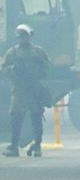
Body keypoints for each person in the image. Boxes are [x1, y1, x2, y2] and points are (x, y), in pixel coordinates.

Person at [2, 24, 52, 158]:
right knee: (16, 117)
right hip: (19, 88)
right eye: (20, 36)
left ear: (30, 36)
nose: (23, 39)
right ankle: (14, 146)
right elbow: (4, 68)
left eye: (25, 36)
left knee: (36, 116)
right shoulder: (12, 52)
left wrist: (38, 72)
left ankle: (37, 146)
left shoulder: (38, 52)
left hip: (34, 88)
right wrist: (13, 70)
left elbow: (48, 67)